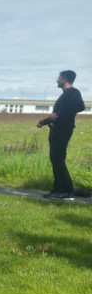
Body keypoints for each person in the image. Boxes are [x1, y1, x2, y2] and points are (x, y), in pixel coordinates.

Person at [38, 70, 85, 200]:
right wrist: (44, 121)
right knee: (55, 160)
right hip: (56, 130)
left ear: (65, 79)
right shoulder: (65, 95)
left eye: (59, 78)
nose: (57, 80)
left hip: (63, 130)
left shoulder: (73, 92)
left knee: (58, 160)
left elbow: (80, 106)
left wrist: (59, 115)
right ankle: (58, 190)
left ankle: (67, 191)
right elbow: (56, 116)